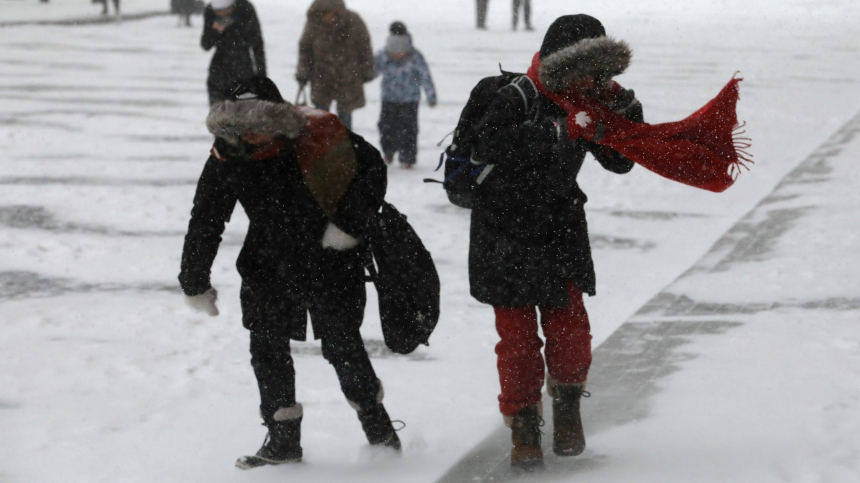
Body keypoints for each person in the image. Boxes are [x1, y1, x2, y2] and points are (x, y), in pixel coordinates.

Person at [179, 77, 401, 469]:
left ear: (280, 118)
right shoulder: (228, 154)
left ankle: (379, 428)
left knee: (343, 347)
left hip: (330, 261)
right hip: (268, 266)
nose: (251, 134)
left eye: (259, 123)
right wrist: (194, 279)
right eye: (240, 125)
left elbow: (371, 174)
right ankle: (283, 440)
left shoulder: (319, 136)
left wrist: (347, 226)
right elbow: (207, 217)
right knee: (266, 349)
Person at [469, 14, 643, 469]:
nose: (589, 78)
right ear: (558, 63)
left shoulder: (592, 98)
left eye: (598, 70)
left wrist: (622, 109)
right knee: (517, 340)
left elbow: (621, 162)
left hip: (559, 231)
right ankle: (524, 426)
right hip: (503, 232)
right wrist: (559, 131)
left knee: (570, 333)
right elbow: (488, 145)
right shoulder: (517, 96)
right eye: (582, 69)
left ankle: (567, 407)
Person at [296, 0, 374, 131]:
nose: (326, 18)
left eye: (328, 14)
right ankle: (324, 148)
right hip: (321, 77)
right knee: (321, 119)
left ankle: (345, 146)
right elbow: (305, 50)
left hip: (348, 77)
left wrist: (367, 71)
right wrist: (303, 73)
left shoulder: (353, 21)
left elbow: (364, 47)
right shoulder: (313, 24)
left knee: (345, 119)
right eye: (322, 14)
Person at [373, 21, 437, 168]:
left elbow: (425, 77)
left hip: (410, 100)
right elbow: (372, 71)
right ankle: (388, 152)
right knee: (386, 127)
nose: (397, 54)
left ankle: (407, 157)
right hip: (389, 99)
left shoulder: (415, 57)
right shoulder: (383, 56)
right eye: (393, 51)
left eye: (400, 51)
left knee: (409, 129)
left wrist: (431, 95)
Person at [200, 0, 266, 105]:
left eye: (225, 10)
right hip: (219, 71)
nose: (220, 14)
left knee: (242, 114)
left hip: (243, 69)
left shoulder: (246, 9)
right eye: (217, 11)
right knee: (218, 116)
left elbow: (257, 45)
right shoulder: (210, 11)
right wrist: (215, 31)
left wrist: (261, 77)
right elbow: (205, 45)